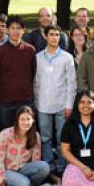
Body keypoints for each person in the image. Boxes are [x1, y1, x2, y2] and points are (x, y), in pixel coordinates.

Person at [35, 26, 76, 175]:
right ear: (45, 37)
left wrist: (69, 105)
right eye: (51, 35)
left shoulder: (67, 57)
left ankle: (62, 167)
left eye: (57, 35)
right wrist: (36, 103)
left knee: (61, 138)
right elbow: (36, 82)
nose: (54, 38)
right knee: (45, 138)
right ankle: (48, 167)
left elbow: (71, 83)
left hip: (61, 104)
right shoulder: (38, 57)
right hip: (43, 104)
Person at [0, 16, 37, 130]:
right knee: (7, 133)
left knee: (26, 132)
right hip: (5, 101)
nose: (16, 31)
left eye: (19, 28)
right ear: (7, 30)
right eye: (12, 28)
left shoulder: (30, 50)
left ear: (23, 30)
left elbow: (33, 73)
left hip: (26, 99)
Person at [0, 106, 49, 186]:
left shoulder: (35, 136)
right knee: (23, 184)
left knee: (44, 167)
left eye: (28, 119)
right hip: (8, 170)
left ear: (33, 121)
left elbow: (35, 160)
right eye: (22, 119)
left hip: (24, 169)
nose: (25, 122)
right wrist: (1, 185)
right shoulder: (5, 134)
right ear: (17, 120)